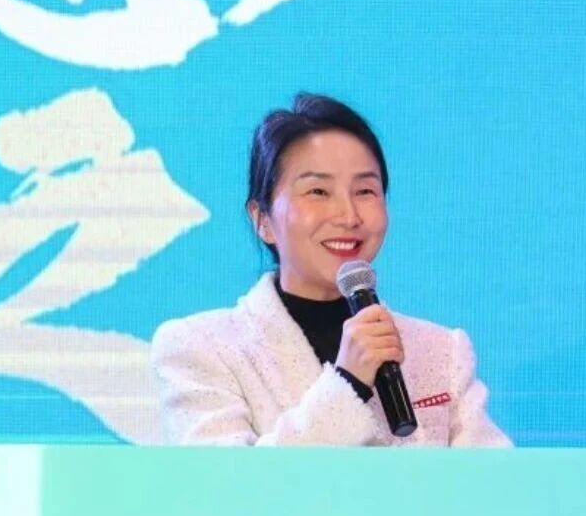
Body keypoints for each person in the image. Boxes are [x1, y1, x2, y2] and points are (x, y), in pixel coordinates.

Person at [151, 93, 511, 447]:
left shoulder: (442, 351)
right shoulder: (200, 348)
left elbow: (493, 479)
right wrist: (347, 382)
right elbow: (227, 480)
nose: (349, 216)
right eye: (318, 192)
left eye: (365, 191)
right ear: (262, 219)